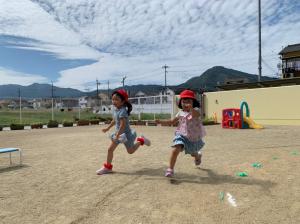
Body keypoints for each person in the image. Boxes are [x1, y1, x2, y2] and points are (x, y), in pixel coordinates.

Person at [96, 89, 151, 175]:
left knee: (130, 151)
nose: (114, 101)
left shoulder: (123, 111)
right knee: (110, 149)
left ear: (123, 101)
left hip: (125, 135)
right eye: (113, 99)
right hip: (118, 134)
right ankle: (107, 167)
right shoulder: (116, 110)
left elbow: (122, 124)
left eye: (116, 99)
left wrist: (118, 134)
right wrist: (107, 128)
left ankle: (141, 141)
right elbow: (114, 121)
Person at [156, 89, 206, 177]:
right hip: (181, 135)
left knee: (192, 153)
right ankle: (170, 169)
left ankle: (198, 156)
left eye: (189, 101)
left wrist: (191, 108)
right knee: (176, 149)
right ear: (180, 103)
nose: (186, 103)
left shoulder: (196, 110)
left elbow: (196, 115)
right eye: (184, 101)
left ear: (193, 102)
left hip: (193, 137)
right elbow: (172, 122)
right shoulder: (180, 113)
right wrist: (161, 122)